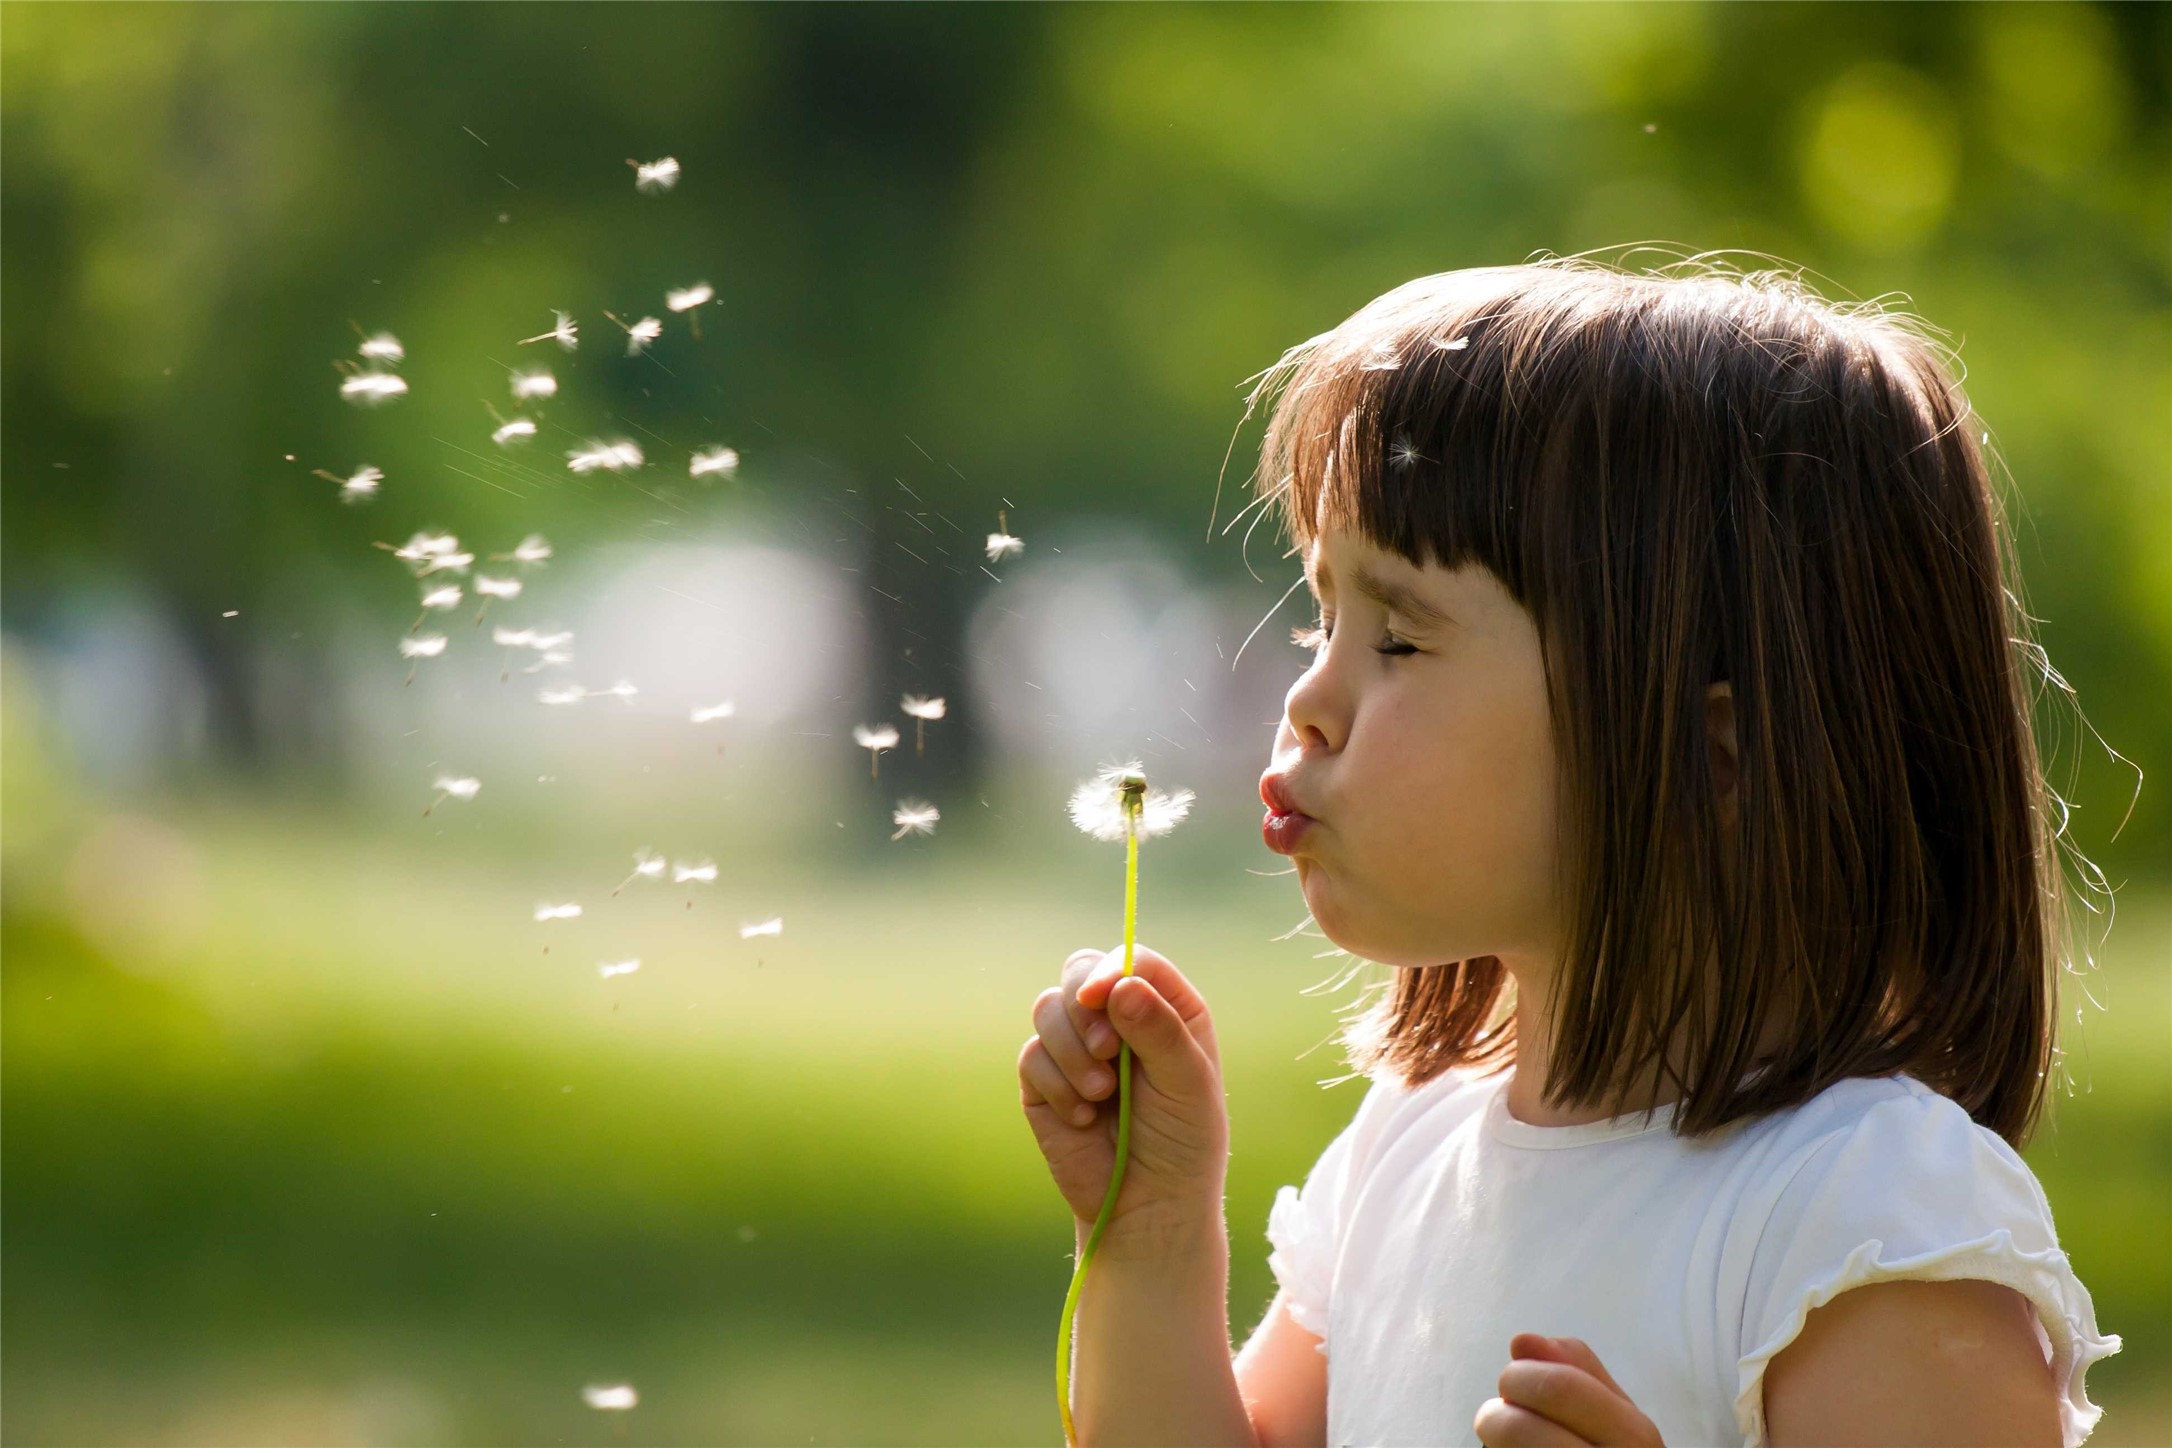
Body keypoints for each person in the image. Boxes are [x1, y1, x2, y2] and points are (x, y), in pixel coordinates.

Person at [1018, 258, 2122, 1447]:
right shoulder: (1403, 1152)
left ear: (1714, 755)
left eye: (1399, 637)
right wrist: (1152, 1230)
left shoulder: (1862, 1223)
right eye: (1321, 618)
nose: (1306, 701)